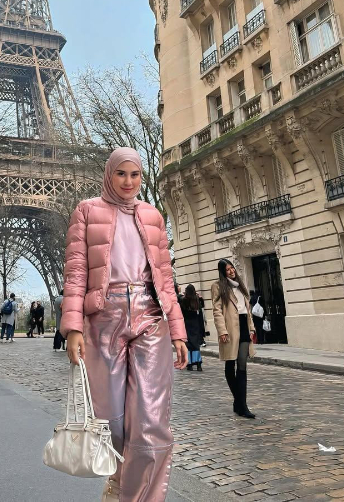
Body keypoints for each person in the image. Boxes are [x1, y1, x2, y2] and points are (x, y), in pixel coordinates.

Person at [60, 147, 187, 501]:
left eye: (135, 175)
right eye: (121, 174)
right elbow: (76, 273)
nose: (128, 182)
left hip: (149, 315)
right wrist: (72, 327)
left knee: (151, 425)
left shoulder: (152, 216)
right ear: (109, 174)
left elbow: (164, 279)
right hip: (104, 317)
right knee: (111, 423)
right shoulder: (87, 211)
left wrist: (178, 331)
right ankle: (118, 480)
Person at [211, 259, 258, 419]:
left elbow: (247, 309)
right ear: (223, 272)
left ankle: (242, 405)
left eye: (232, 268)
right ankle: (238, 402)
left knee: (242, 365)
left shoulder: (240, 285)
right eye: (228, 270)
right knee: (230, 364)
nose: (231, 271)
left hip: (244, 326)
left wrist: (252, 327)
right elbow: (216, 310)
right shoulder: (218, 286)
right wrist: (222, 330)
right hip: (230, 329)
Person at [181, 284, 207, 372]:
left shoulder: (184, 300)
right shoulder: (197, 300)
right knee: (196, 345)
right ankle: (198, 364)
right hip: (196, 324)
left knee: (188, 345)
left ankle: (190, 364)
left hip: (187, 324)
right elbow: (201, 311)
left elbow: (182, 313)